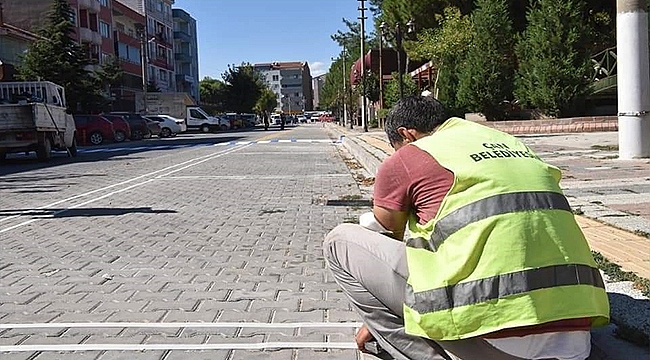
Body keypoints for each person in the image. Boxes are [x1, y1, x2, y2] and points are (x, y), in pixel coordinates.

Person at [324, 96, 610, 360]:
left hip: (494, 344)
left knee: (339, 242)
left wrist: (375, 324)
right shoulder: (509, 143)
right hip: (577, 343)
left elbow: (386, 235)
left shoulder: (409, 157)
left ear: (406, 135)